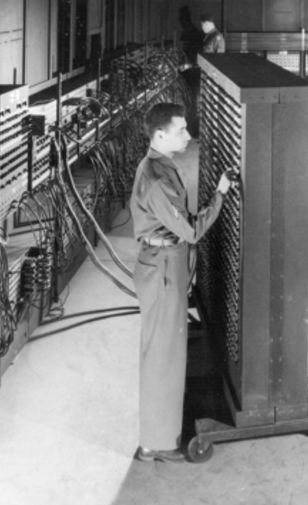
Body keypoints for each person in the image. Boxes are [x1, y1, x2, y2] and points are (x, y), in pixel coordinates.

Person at [130, 102, 234, 462]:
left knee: (167, 353)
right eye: (181, 130)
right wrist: (220, 195)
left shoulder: (161, 164)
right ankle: (156, 444)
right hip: (162, 269)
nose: (188, 136)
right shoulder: (157, 178)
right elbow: (191, 231)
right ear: (160, 135)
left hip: (165, 264)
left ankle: (159, 434)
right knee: (163, 357)